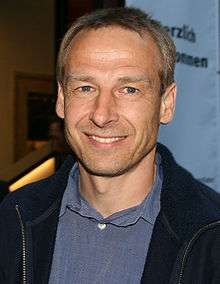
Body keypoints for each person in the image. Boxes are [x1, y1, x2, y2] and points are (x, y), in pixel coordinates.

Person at [1, 7, 220, 284]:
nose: (102, 115)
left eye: (129, 89)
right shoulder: (14, 217)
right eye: (85, 88)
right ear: (61, 99)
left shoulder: (211, 233)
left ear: (166, 104)